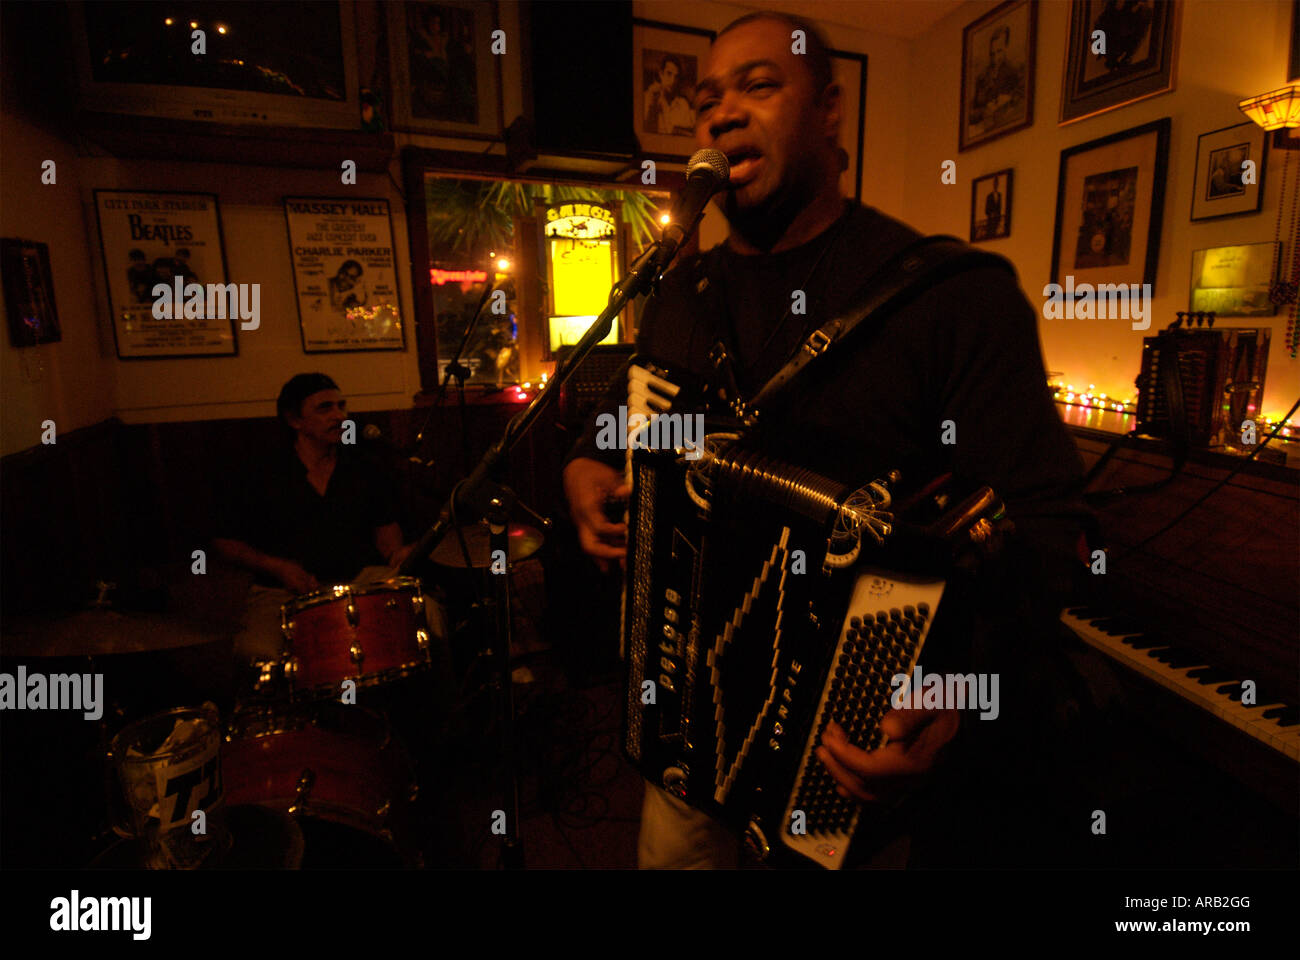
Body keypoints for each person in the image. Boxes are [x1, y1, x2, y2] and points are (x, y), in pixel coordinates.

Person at [563, 12, 1093, 868]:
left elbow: (1045, 526)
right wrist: (587, 460)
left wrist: (960, 692)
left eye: (758, 85)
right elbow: (634, 414)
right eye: (706, 101)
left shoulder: (948, 295)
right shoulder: (681, 293)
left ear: (830, 109)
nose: (722, 113)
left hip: (852, 750)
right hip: (687, 725)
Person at [212, 373, 418, 663]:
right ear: (294, 421)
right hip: (282, 591)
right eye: (325, 408)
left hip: (358, 581)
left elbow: (388, 539)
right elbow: (224, 542)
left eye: (341, 407)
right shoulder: (261, 474)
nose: (339, 416)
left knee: (425, 618)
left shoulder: (364, 469)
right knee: (256, 653)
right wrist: (277, 567)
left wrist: (400, 555)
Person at [969, 24, 1023, 131]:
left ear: (1006, 48)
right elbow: (970, 115)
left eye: (999, 52)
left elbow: (1019, 103)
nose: (995, 58)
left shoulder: (1014, 73)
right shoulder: (982, 77)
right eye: (992, 54)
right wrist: (984, 111)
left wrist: (1007, 100)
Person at [644, 54, 695, 136]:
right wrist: (652, 104)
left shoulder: (683, 104)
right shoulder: (647, 97)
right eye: (669, 74)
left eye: (676, 76)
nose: (672, 81)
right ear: (661, 74)